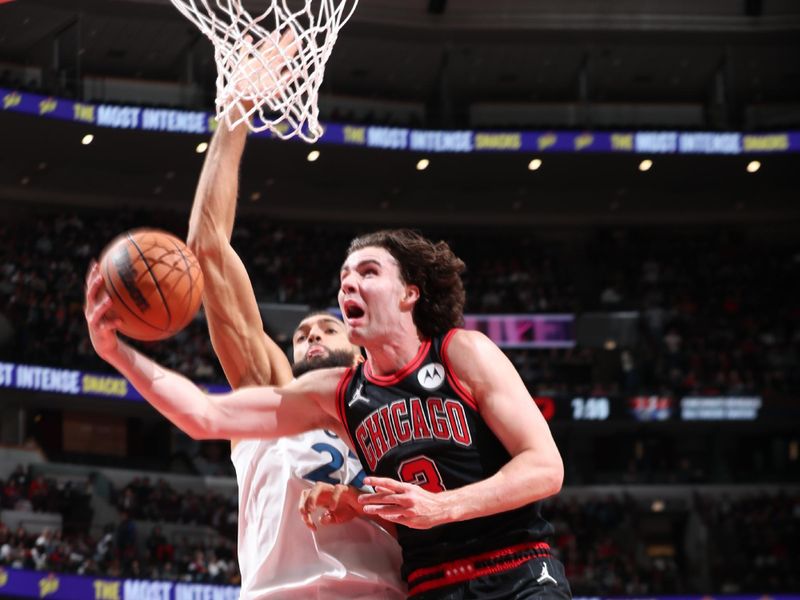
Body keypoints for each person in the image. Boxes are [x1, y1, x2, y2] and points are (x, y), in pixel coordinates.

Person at [85, 226, 571, 599]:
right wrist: (115, 352)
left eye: (368, 272)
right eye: (344, 277)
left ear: (409, 292)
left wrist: (441, 507)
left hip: (517, 567)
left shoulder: (461, 352)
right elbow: (204, 416)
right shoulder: (337, 394)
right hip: (431, 587)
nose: (349, 284)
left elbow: (545, 467)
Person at [178, 33, 404, 598]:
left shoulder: (401, 415)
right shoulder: (270, 398)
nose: (310, 333)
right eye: (302, 334)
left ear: (359, 345)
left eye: (327, 326)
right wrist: (236, 111)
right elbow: (207, 245)